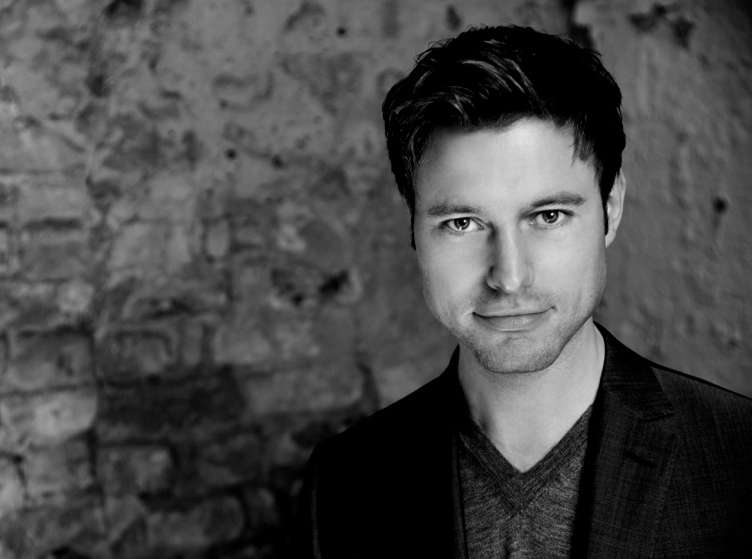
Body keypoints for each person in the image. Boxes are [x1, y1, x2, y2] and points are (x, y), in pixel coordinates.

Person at [288, 25, 752, 558]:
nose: (508, 277)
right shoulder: (342, 483)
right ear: (413, 228)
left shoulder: (740, 459)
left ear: (612, 207)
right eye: (462, 223)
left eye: (548, 216)